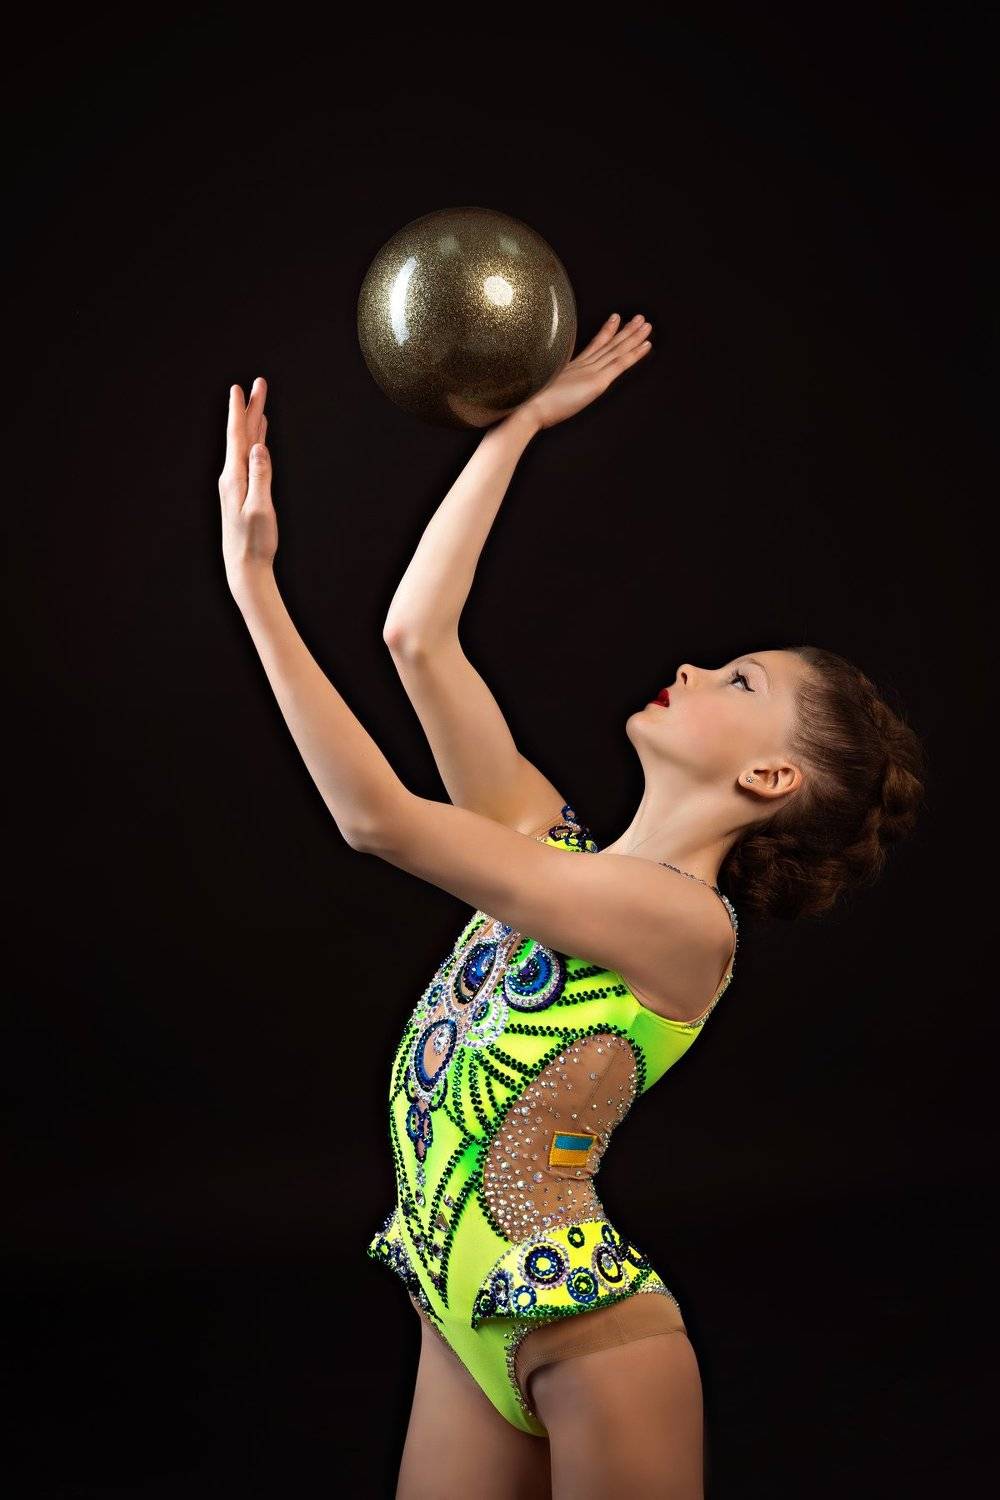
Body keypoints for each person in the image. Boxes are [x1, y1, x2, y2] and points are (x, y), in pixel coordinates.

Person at [218, 314, 926, 1500]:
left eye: (739, 681)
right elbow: (416, 637)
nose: (694, 668)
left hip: (585, 1335)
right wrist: (520, 429)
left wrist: (255, 590)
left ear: (770, 777)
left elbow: (375, 818)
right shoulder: (548, 845)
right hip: (459, 1306)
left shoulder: (684, 926)